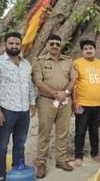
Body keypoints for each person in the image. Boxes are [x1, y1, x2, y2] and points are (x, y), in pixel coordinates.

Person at [0, 32, 36, 181]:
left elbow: (29, 85)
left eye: (17, 44)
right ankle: (1, 175)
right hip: (6, 110)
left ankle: (18, 170)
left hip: (23, 111)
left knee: (20, 142)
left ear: (20, 45)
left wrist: (32, 103)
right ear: (5, 44)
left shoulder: (26, 63)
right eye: (11, 43)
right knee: (2, 144)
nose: (14, 46)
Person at [32, 34, 77, 178]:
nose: (55, 46)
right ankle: (41, 164)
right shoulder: (39, 61)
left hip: (65, 101)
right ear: (46, 45)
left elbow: (73, 79)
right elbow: (38, 82)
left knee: (63, 133)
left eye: (57, 44)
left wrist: (66, 92)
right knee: (44, 133)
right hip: (46, 101)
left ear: (61, 46)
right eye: (52, 44)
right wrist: (55, 93)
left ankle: (61, 160)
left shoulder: (68, 61)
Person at [72, 40, 100, 167]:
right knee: (80, 130)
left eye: (91, 48)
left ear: (95, 50)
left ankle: (95, 153)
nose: (88, 50)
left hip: (98, 105)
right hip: (82, 104)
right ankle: (78, 156)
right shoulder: (77, 63)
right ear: (82, 51)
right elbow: (74, 85)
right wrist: (75, 101)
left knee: (94, 130)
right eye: (86, 48)